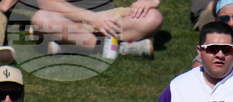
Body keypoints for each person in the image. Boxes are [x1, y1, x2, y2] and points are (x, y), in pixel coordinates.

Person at [30, 0, 160, 57]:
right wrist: (91, 18)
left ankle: (73, 47)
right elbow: (47, 2)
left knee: (153, 17)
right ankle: (119, 48)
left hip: (108, 15)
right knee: (42, 20)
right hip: (67, 16)